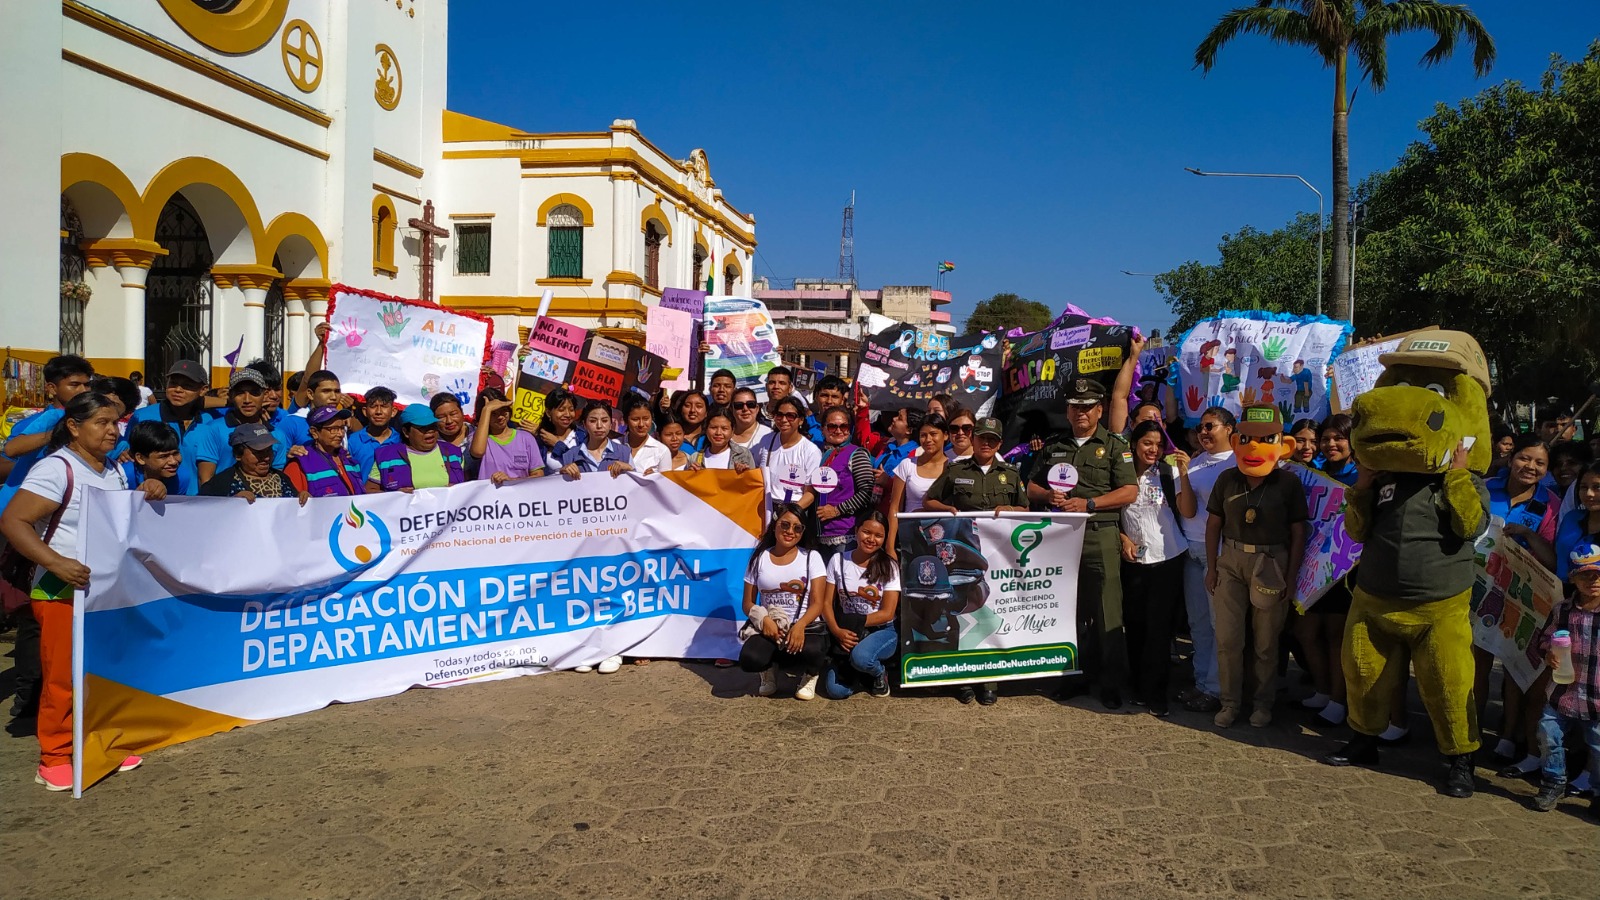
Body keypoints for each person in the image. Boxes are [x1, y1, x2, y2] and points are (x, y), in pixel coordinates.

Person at [0, 393, 157, 790]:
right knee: (62, 677)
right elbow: (14, 521)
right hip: (60, 590)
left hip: (103, 591)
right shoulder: (55, 470)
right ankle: (53, 756)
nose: (112, 430)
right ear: (73, 426)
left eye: (116, 422)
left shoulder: (113, 471)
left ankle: (97, 740)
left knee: (99, 672)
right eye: (102, 422)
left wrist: (147, 490)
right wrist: (55, 563)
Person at [1026, 379, 1139, 709]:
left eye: (1087, 407)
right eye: (1075, 406)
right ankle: (1073, 677)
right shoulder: (1055, 445)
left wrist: (1090, 504)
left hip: (1100, 534)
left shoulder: (1116, 446)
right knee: (1068, 612)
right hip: (1060, 537)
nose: (1081, 412)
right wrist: (1048, 494)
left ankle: (1111, 683)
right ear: (1068, 410)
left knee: (1107, 612)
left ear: (1099, 410)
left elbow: (1129, 491)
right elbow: (1030, 486)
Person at [1204, 405, 1307, 729]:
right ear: (1236, 440)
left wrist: (1291, 578)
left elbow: (1298, 532)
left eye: (1265, 439)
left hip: (1271, 563)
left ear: (1282, 444)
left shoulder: (1288, 483)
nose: (1254, 446)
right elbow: (1213, 524)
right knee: (1228, 639)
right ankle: (1230, 702)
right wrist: (1212, 567)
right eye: (1247, 438)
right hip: (1231, 561)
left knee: (1265, 642)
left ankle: (1262, 703)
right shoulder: (1227, 479)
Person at [923, 416, 1028, 706]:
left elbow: (1026, 509)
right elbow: (929, 502)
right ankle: (963, 679)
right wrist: (947, 509)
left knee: (991, 616)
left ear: (999, 444)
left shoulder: (1011, 473)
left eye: (992, 440)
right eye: (982, 437)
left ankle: (989, 680)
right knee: (961, 614)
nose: (986, 443)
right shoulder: (955, 470)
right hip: (963, 556)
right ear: (974, 439)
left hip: (1000, 558)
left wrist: (1012, 508)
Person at [1478, 433, 1562, 773]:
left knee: (1516, 672)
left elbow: (1553, 560)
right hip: (1479, 590)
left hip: (1525, 600)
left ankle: (1509, 736)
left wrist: (1528, 535)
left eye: (1540, 463)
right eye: (1525, 458)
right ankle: (1469, 733)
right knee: (1476, 667)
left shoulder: (1552, 503)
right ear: (1512, 458)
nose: (1531, 467)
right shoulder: (1485, 488)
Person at [1118, 421, 1195, 716]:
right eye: (1147, 443)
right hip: (1134, 561)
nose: (1153, 449)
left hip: (1168, 558)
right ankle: (1137, 685)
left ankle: (1157, 691)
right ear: (1134, 444)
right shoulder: (1120, 474)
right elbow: (1114, 516)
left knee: (1160, 629)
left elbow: (1187, 510)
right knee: (1135, 625)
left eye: (1158, 444)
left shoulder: (1167, 472)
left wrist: (1184, 473)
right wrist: (1123, 539)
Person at [1296, 414, 1361, 726]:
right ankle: (1322, 690)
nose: (1331, 444)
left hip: (1345, 570)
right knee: (1307, 632)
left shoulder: (1362, 476)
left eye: (1339, 438)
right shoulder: (1314, 473)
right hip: (1313, 565)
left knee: (1336, 636)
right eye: (1326, 438)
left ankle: (1339, 701)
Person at [1528, 543, 1600, 816]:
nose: (1593, 582)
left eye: (1598, 575)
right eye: (1585, 576)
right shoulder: (1563, 611)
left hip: (1597, 696)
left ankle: (1597, 790)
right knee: (1548, 736)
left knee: (1598, 748)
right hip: (1562, 692)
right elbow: (1544, 639)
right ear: (1573, 579)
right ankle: (1553, 782)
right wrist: (1549, 654)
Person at [1176, 407, 1236, 713]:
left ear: (1228, 428)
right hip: (1193, 553)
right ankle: (1201, 684)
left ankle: (1217, 690)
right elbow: (1186, 511)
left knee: (1219, 626)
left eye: (1210, 426)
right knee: (1198, 624)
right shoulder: (1193, 464)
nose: (1203, 432)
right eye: (1200, 427)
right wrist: (1184, 474)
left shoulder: (1240, 462)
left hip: (1222, 555)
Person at [739, 503, 828, 700]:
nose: (790, 531)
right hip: (771, 626)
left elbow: (817, 603)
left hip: (805, 626)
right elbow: (747, 603)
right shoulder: (759, 558)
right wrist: (764, 621)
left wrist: (800, 626)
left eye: (797, 528)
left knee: (814, 650)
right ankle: (769, 669)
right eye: (785, 525)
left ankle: (810, 675)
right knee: (749, 659)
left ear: (803, 531)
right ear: (775, 526)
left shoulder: (811, 558)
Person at [0, 354, 95, 517]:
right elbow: (9, 453)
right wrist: (58, 434)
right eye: (75, 385)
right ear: (52, 388)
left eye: (87, 385)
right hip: (23, 507)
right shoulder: (44, 420)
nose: (83, 391)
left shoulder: (88, 418)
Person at [819, 512, 902, 699]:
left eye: (878, 535)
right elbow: (825, 603)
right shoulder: (838, 560)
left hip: (882, 630)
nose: (871, 539)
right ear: (856, 531)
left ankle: (879, 673)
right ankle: (858, 669)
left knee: (861, 658)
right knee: (836, 692)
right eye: (866, 532)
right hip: (846, 630)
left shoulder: (890, 566)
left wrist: (855, 623)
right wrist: (837, 631)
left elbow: (887, 613)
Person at [188, 368, 296, 485]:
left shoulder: (277, 435)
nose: (247, 400)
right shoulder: (213, 430)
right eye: (240, 393)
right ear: (231, 395)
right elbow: (205, 481)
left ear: (264, 395)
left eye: (254, 393)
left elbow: (276, 480)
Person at [123, 359, 215, 496]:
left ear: (203, 390)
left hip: (194, 503)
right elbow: (127, 451)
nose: (178, 390)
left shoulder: (208, 422)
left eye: (187, 386)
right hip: (151, 498)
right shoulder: (142, 416)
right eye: (173, 383)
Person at [809, 406, 876, 557]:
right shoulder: (823, 456)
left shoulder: (856, 453)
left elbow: (866, 492)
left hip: (846, 533)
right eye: (832, 426)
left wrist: (836, 510)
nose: (838, 431)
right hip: (822, 535)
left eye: (843, 426)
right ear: (823, 429)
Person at [886, 413, 948, 558]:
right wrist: (890, 546)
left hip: (943, 539)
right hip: (911, 540)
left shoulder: (953, 468)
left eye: (933, 434)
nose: (928, 440)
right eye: (923, 435)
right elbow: (895, 508)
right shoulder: (907, 465)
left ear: (945, 435)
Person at [366, 404, 467, 493]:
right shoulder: (386, 456)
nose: (430, 431)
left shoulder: (454, 453)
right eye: (422, 428)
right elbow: (369, 490)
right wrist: (394, 496)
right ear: (406, 432)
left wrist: (458, 490)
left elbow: (469, 489)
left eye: (433, 426)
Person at [200, 424, 307, 502]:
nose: (265, 458)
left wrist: (302, 497)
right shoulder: (223, 483)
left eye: (269, 450)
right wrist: (230, 503)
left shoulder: (282, 479)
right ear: (238, 455)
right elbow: (204, 509)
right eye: (258, 452)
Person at [754, 396, 822, 516]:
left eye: (790, 416)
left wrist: (790, 513)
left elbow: (810, 493)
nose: (784, 420)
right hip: (766, 508)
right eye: (779, 415)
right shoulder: (766, 440)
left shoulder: (811, 451)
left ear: (800, 420)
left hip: (794, 510)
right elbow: (755, 471)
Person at [285, 406, 364, 497]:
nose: (340, 434)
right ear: (314, 432)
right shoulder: (300, 464)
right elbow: (291, 503)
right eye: (333, 429)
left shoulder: (349, 461)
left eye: (342, 428)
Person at [468, 389, 544, 484]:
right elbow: (477, 452)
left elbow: (538, 475)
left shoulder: (526, 438)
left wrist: (511, 481)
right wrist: (487, 409)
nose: (500, 417)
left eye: (503, 410)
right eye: (493, 413)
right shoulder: (477, 439)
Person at [553, 401, 633, 479]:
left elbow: (637, 486)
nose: (599, 426)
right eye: (593, 421)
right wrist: (562, 473)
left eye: (604, 420)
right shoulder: (571, 455)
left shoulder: (624, 453)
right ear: (584, 425)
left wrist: (630, 470)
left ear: (610, 425)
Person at [346, 386, 400, 481]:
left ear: (393, 411)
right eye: (373, 406)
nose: (378, 412)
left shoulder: (401, 441)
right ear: (365, 411)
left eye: (384, 406)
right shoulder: (352, 441)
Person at [126, 420, 182, 495]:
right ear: (140, 458)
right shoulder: (124, 476)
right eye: (163, 456)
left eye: (175, 453)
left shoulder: (181, 478)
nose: (173, 462)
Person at [534, 389, 584, 471]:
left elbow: (585, 465)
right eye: (561, 410)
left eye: (571, 410)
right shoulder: (541, 440)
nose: (567, 414)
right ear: (548, 412)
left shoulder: (582, 436)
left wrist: (557, 445)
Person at [622, 396, 672, 475]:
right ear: (626, 420)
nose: (641, 424)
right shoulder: (614, 445)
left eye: (646, 419)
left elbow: (666, 484)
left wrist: (656, 478)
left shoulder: (661, 451)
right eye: (635, 419)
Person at [806, 376, 848, 445]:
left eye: (835, 397)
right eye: (824, 395)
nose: (829, 401)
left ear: (842, 400)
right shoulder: (805, 424)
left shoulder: (848, 427)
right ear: (816, 396)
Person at [728, 387, 771, 451]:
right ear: (731, 409)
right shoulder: (724, 434)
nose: (745, 409)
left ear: (757, 408)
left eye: (750, 404)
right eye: (739, 405)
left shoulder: (769, 435)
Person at [432, 393, 475, 458]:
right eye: (441, 417)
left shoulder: (477, 434)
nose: (449, 421)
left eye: (453, 414)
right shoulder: (431, 441)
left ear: (462, 412)